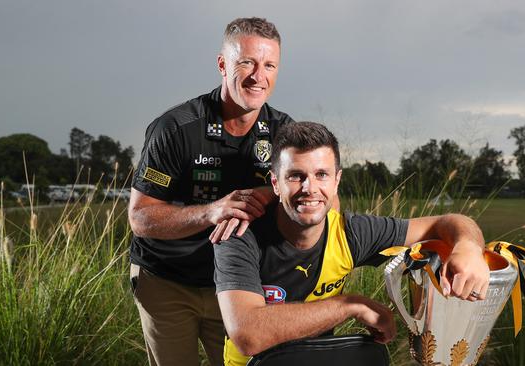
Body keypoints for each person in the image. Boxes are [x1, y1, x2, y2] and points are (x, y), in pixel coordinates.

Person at [213, 122, 491, 366]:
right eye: (296, 176)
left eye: (321, 174)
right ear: (275, 183)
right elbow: (248, 335)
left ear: (337, 181)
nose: (310, 188)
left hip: (318, 360)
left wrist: (468, 246)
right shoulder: (239, 234)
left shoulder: (351, 232)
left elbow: (447, 222)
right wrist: (349, 304)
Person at [128, 17, 293, 366]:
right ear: (222, 64)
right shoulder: (175, 128)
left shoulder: (285, 133)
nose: (257, 76)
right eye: (246, 62)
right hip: (168, 280)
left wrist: (275, 195)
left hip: (239, 285)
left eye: (269, 65)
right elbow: (140, 218)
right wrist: (212, 211)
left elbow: (325, 199)